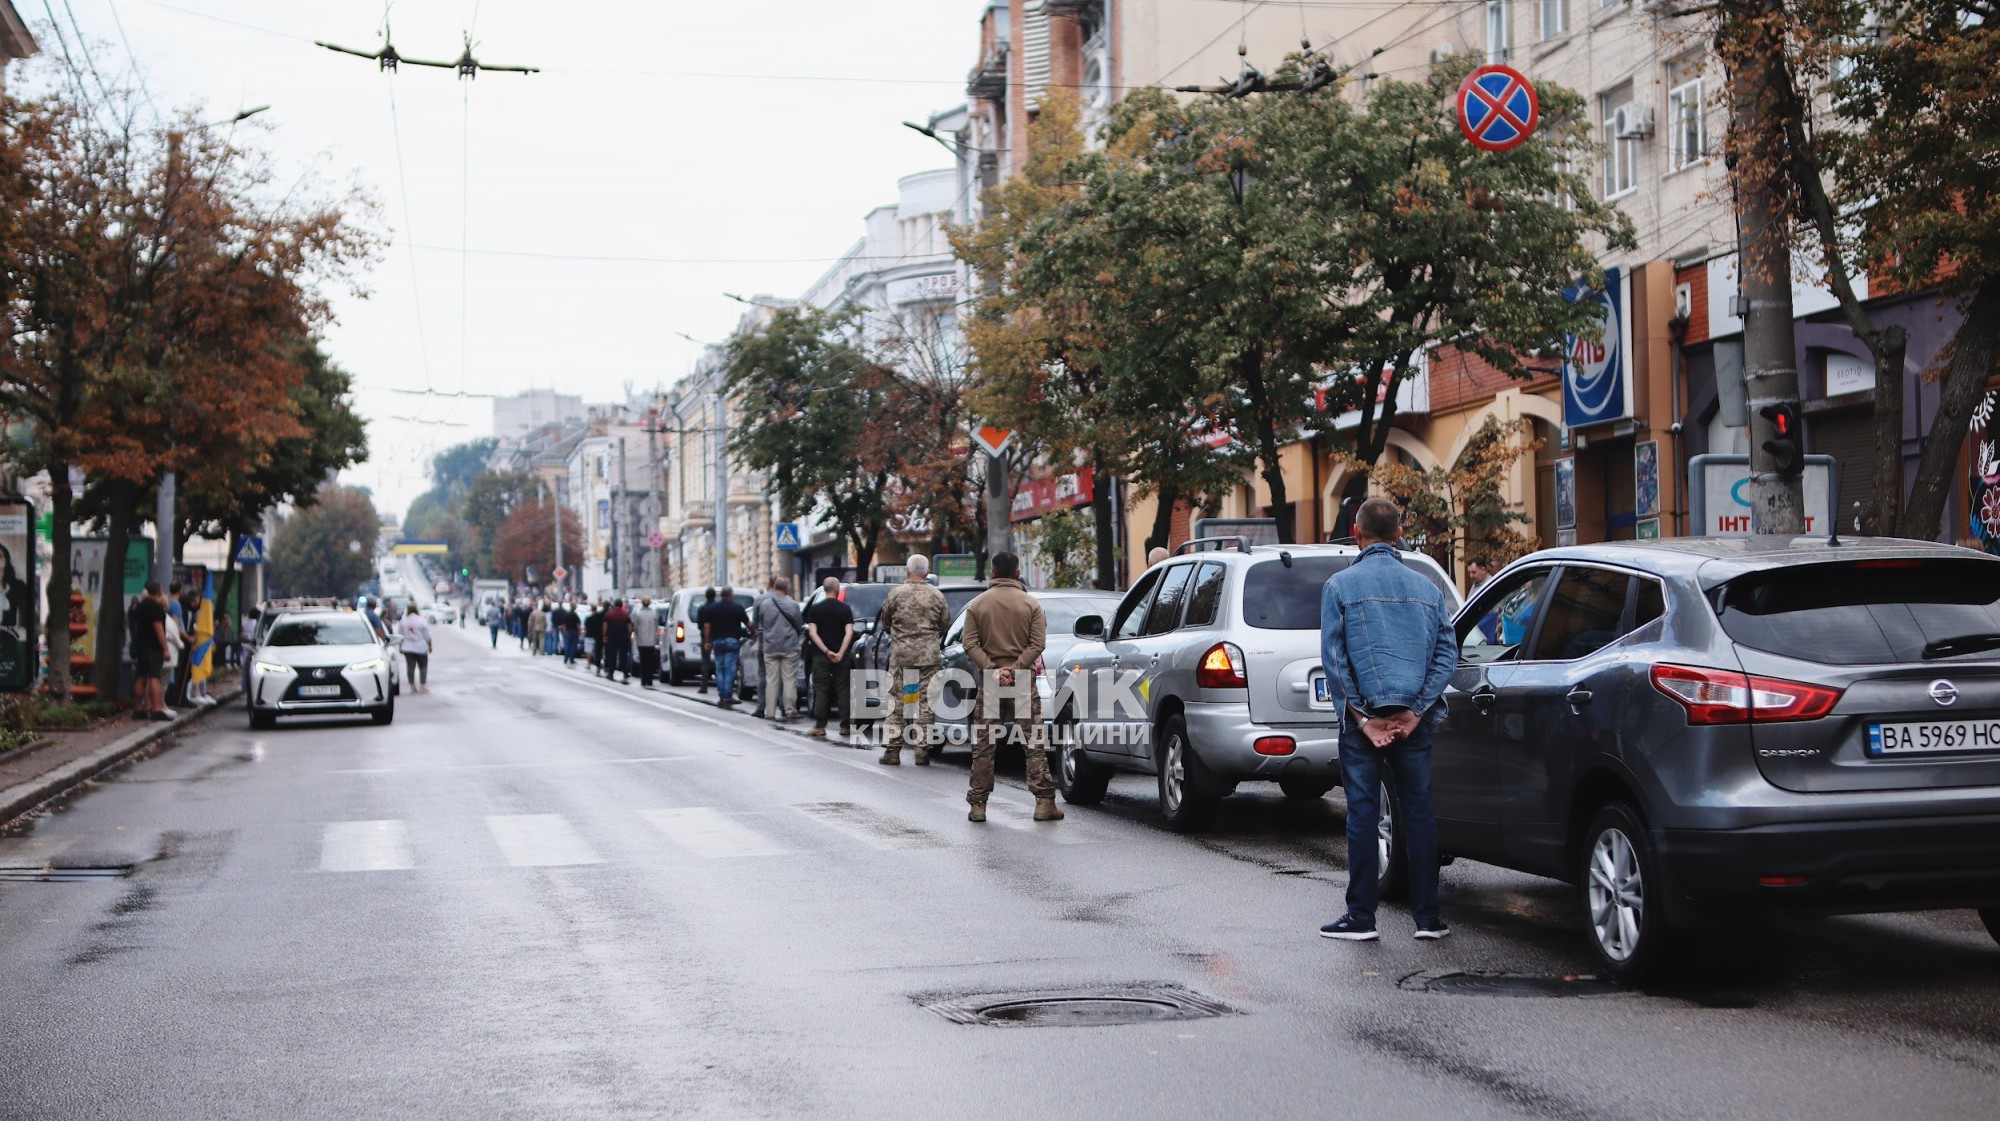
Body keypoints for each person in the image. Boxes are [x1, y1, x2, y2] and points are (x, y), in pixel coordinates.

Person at [1317, 497, 1458, 943]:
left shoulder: (1339, 586)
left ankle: (1361, 917)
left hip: (1365, 723)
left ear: (1356, 532)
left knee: (1362, 813)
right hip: (1413, 720)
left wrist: (1362, 718)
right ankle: (1429, 919)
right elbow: (1446, 654)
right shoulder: (1428, 589)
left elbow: (1335, 661)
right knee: (1419, 812)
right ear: (1399, 534)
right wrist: (1415, 712)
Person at [960, 552, 1060, 823]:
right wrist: (1015, 670)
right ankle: (1044, 803)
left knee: (984, 745)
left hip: (991, 683)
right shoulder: (1031, 604)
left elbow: (969, 643)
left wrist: (993, 670)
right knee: (1033, 743)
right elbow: (1037, 644)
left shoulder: (978, 605)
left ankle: (978, 805)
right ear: (1018, 573)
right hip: (1022, 682)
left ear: (992, 573)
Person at [876, 554, 948, 766]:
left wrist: (900, 635)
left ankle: (892, 751)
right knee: (926, 703)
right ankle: (922, 750)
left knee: (897, 702)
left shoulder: (896, 594)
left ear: (907, 571)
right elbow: (944, 623)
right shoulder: (937, 596)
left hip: (901, 656)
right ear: (927, 572)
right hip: (928, 656)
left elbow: (885, 621)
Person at [802, 577, 854, 739]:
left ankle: (819, 726)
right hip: (842, 657)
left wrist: (826, 651)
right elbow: (849, 633)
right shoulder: (845, 609)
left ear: (824, 589)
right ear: (837, 590)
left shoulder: (815, 609)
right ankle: (845, 726)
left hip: (820, 656)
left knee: (821, 689)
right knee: (843, 689)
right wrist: (841, 652)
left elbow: (812, 633)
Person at [755, 576, 805, 722]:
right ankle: (790, 710)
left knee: (771, 680)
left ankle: (769, 712)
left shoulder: (764, 604)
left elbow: (761, 624)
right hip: (789, 646)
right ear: (787, 588)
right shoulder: (793, 604)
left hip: (770, 646)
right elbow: (799, 624)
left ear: (774, 587)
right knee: (789, 679)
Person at [127, 582, 170, 721]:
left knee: (140, 676)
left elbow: (135, 626)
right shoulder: (156, 608)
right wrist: (165, 648)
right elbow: (158, 629)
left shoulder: (139, 606)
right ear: (159, 591)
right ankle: (156, 709)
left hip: (141, 646)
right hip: (154, 647)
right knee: (154, 677)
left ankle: (137, 708)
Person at [705, 586, 751, 707]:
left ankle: (722, 696)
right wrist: (754, 632)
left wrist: (707, 641)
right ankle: (727, 696)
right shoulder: (738, 608)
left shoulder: (712, 608)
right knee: (730, 669)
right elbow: (748, 624)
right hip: (732, 641)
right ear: (731, 595)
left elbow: (707, 626)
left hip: (717, 641)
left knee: (720, 669)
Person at [398, 603, 434, 693]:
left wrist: (400, 646)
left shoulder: (403, 620)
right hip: (420, 647)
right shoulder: (421, 620)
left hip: (407, 647)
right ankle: (422, 685)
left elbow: (400, 635)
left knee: (410, 667)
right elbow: (427, 635)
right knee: (423, 666)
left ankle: (412, 685)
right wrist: (430, 646)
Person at [633, 597, 663, 686]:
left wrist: (636, 636)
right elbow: (657, 626)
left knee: (643, 661)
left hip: (641, 641)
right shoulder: (654, 614)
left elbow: (635, 627)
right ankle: (649, 679)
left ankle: (644, 679)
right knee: (650, 661)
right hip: (651, 641)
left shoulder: (639, 614)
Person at [693, 587, 718, 694]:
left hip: (705, 637)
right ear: (715, 596)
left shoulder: (702, 608)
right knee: (719, 661)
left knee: (705, 662)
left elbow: (699, 625)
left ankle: (704, 686)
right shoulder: (718, 607)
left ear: (706, 596)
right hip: (717, 636)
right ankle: (721, 686)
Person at [583, 601, 605, 669]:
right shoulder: (599, 618)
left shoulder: (588, 618)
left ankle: (588, 664)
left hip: (589, 635)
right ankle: (598, 662)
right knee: (597, 650)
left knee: (589, 651)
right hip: (597, 636)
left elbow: (585, 626)